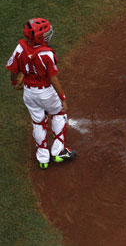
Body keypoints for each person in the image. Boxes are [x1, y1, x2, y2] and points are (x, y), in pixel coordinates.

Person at [6, 18, 76, 169]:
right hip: (46, 93)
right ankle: (58, 153)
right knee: (58, 114)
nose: (47, 36)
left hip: (29, 94)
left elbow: (13, 70)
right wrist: (62, 97)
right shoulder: (47, 54)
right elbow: (53, 78)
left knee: (38, 122)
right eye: (45, 34)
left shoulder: (20, 47)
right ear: (39, 37)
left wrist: (14, 82)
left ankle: (43, 159)